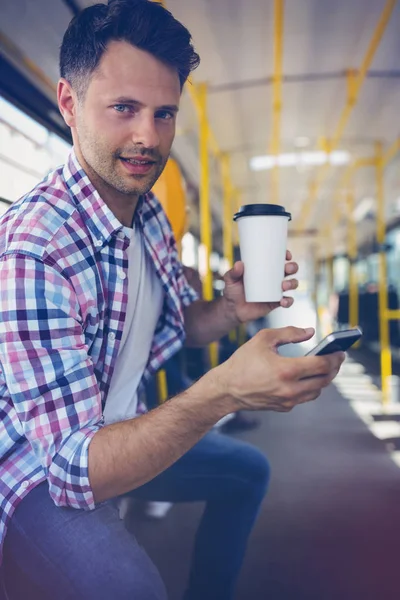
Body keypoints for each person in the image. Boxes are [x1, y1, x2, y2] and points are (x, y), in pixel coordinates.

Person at [0, 1, 345, 599]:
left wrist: (228, 312)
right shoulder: (34, 249)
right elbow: (76, 470)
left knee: (247, 472)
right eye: (124, 109)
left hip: (119, 426)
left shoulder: (151, 212)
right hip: (39, 469)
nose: (148, 137)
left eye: (164, 113)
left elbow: (172, 326)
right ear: (68, 103)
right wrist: (224, 391)